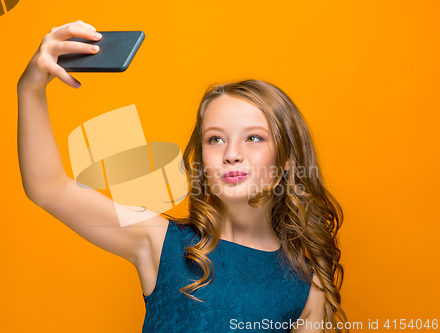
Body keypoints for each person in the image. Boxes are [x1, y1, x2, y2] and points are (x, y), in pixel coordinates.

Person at [17, 20, 348, 333]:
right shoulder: (160, 242)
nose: (231, 153)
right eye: (215, 139)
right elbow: (49, 188)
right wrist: (30, 88)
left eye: (253, 137)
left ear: (288, 159)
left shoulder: (307, 287)